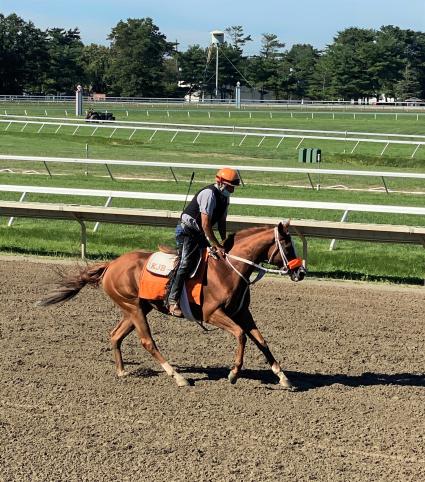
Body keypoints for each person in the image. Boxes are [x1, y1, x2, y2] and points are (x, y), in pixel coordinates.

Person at [166, 167, 241, 317]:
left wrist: (224, 241)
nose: (231, 190)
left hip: (200, 233)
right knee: (186, 263)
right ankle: (172, 300)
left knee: (216, 261)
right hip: (187, 232)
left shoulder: (224, 197)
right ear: (220, 182)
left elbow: (221, 222)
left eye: (233, 187)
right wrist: (216, 244)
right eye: (229, 186)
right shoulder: (209, 194)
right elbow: (206, 225)